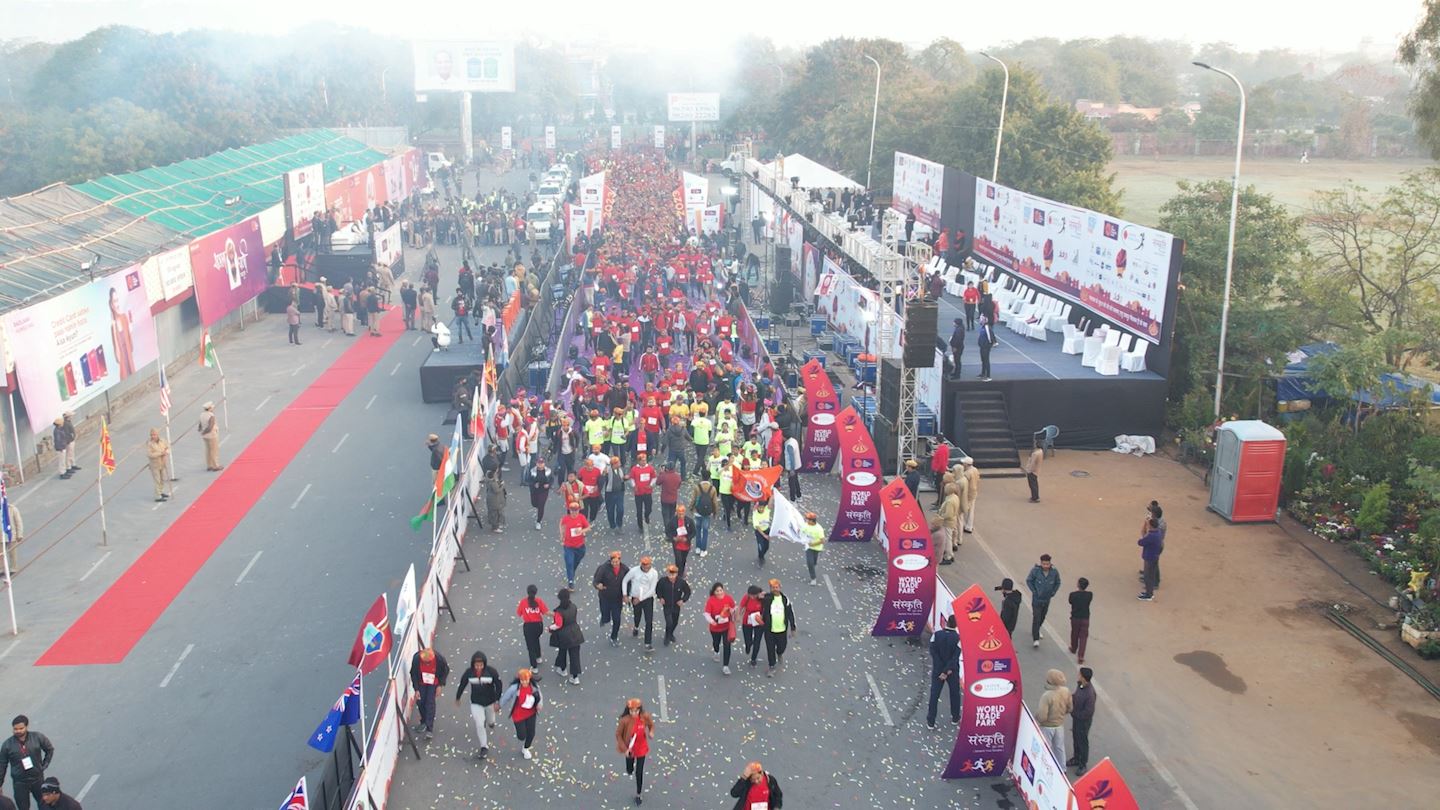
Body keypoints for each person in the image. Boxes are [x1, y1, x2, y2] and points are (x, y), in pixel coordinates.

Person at [455, 650, 503, 759]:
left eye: (481, 665)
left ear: (484, 664)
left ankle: (491, 722)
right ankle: (484, 747)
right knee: (479, 723)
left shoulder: (491, 672)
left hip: (490, 702)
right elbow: (462, 684)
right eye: (476, 665)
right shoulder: (469, 673)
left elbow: (499, 685)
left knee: (491, 720)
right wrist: (458, 697)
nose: (478, 667)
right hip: (476, 702)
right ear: (473, 664)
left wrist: (497, 701)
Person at [1, 715, 53, 810]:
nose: (18, 731)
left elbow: (49, 749)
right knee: (23, 807)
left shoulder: (37, 737)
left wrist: (44, 765)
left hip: (37, 779)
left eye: (21, 728)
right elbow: (2, 765)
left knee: (45, 805)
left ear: (27, 727)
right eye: (15, 729)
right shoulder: (7, 745)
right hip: (19, 783)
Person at [616, 699, 656, 805]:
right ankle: (630, 769)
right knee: (629, 769)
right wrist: (624, 749)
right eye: (631, 711)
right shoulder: (624, 721)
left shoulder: (644, 717)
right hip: (629, 748)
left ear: (639, 710)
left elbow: (651, 725)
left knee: (639, 772)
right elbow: (618, 735)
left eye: (636, 711)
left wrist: (651, 732)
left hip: (641, 748)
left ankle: (639, 794)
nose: (634, 713)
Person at [498, 668, 543, 760]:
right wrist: (499, 705)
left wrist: (539, 705)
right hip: (518, 715)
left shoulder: (534, 687)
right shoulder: (514, 688)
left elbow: (540, 696)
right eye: (522, 680)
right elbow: (506, 696)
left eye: (526, 680)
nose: (524, 682)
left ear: (529, 679)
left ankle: (526, 748)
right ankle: (522, 737)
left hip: (531, 713)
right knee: (521, 736)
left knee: (531, 733)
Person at [926, 614, 961, 728]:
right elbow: (955, 657)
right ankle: (955, 717)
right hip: (952, 671)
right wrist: (947, 671)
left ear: (946, 622)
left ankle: (930, 721)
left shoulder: (936, 635)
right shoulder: (958, 638)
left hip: (937, 670)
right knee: (954, 694)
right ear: (956, 625)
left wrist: (941, 670)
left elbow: (933, 651)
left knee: (934, 695)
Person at [409, 646, 450, 739]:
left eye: (429, 662)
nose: (427, 664)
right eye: (425, 662)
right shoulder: (416, 659)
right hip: (422, 682)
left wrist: (440, 685)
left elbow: (445, 671)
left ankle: (429, 728)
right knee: (420, 702)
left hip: (433, 682)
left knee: (429, 703)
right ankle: (423, 721)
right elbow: (413, 674)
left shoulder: (439, 659)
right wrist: (416, 689)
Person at [623, 556, 660, 651]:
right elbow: (625, 580)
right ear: (641, 564)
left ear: (650, 564)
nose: (645, 567)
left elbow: (652, 589)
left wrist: (641, 598)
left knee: (649, 621)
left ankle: (648, 643)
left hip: (647, 598)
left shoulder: (654, 573)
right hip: (635, 597)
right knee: (637, 615)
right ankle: (636, 626)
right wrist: (625, 595)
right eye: (643, 565)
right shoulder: (634, 571)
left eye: (647, 565)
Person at [760, 578, 796, 677]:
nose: (775, 589)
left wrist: (793, 627)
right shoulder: (767, 598)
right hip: (769, 629)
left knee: (782, 646)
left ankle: (779, 653)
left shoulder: (785, 600)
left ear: (780, 587)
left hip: (782, 629)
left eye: (777, 587)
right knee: (770, 648)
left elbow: (790, 614)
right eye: (773, 587)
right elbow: (758, 603)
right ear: (770, 589)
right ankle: (772, 666)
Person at [1036, 668, 1072, 764]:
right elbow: (1070, 708)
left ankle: (1045, 767)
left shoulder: (1047, 696)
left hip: (1047, 726)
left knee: (1045, 748)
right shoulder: (1066, 691)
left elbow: (1042, 716)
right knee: (1059, 748)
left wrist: (1038, 720)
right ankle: (1062, 767)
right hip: (1059, 725)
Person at [593, 550, 630, 646]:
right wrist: (598, 585)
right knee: (606, 615)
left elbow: (628, 582)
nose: (615, 564)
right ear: (610, 561)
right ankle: (604, 618)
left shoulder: (624, 569)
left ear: (620, 561)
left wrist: (627, 595)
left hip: (617, 598)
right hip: (605, 597)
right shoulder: (603, 568)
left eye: (617, 562)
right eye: (613, 562)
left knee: (617, 618)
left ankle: (614, 636)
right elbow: (596, 580)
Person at [549, 588, 585, 685]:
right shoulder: (573, 606)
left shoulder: (559, 612)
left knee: (562, 651)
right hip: (575, 632)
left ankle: (562, 669)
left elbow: (558, 625)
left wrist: (550, 628)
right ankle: (575, 676)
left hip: (564, 635)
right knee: (575, 656)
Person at [1026, 554, 1061, 647]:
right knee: (1036, 618)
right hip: (1037, 599)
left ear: (1050, 563)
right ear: (1041, 563)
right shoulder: (1035, 571)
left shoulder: (1054, 572)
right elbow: (1029, 580)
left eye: (1047, 564)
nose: (1046, 566)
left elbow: (1058, 582)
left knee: (1042, 616)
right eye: (1044, 564)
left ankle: (1036, 630)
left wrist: (1053, 592)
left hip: (1046, 600)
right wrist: (1034, 591)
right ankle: (1036, 638)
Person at [704, 582, 737, 674]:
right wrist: (712, 621)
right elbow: (707, 614)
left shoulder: (728, 598)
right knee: (716, 642)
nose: (719, 592)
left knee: (727, 645)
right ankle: (716, 651)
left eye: (721, 590)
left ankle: (725, 666)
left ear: (723, 590)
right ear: (714, 592)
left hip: (726, 627)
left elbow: (734, 608)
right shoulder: (711, 600)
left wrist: (731, 611)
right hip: (715, 627)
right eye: (717, 591)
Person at [1068, 667, 1096, 774]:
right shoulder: (1080, 685)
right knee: (1076, 738)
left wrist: (1074, 713)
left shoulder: (1090, 694)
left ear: (1084, 678)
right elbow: (1076, 695)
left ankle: (1083, 763)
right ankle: (1076, 758)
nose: (1078, 675)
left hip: (1083, 722)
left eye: (1079, 674)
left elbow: (1088, 712)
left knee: (1082, 741)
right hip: (1077, 719)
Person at [655, 564, 691, 646]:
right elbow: (658, 589)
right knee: (669, 622)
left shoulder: (681, 582)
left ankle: (671, 633)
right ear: (667, 573)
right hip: (667, 605)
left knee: (675, 622)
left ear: (677, 574)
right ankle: (667, 636)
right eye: (669, 574)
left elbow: (687, 592)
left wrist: (683, 600)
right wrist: (660, 597)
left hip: (676, 605)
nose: (671, 576)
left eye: (673, 574)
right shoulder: (662, 581)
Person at [559, 500, 591, 588]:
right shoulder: (566, 518)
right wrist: (562, 535)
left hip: (580, 545)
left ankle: (572, 571)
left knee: (576, 560)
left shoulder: (581, 518)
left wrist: (581, 531)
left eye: (576, 510)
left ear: (578, 510)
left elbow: (588, 527)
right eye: (572, 510)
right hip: (568, 545)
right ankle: (570, 581)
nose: (574, 512)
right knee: (569, 562)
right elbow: (561, 525)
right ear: (569, 510)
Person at [516, 585, 549, 668]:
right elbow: (545, 612)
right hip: (539, 626)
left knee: (530, 646)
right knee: (536, 639)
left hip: (528, 626)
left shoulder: (523, 602)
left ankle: (534, 666)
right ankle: (538, 657)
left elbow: (519, 613)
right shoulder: (539, 601)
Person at [689, 481, 718, 557]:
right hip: (707, 513)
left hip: (697, 512)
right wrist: (715, 512)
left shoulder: (697, 487)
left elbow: (693, 499)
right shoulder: (713, 489)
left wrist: (691, 508)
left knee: (698, 530)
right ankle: (703, 550)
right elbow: (714, 502)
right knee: (705, 531)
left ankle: (698, 548)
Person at [666, 504, 697, 576]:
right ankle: (678, 575)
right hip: (677, 544)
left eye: (682, 514)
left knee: (683, 560)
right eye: (679, 514)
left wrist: (687, 538)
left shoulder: (689, 521)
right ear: (676, 513)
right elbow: (667, 531)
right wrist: (673, 538)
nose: (681, 515)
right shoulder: (673, 521)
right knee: (678, 560)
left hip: (686, 544)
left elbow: (694, 532)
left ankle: (681, 571)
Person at [630, 453, 656, 535]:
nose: (644, 462)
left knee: (649, 507)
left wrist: (651, 485)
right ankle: (640, 526)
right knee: (639, 510)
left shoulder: (650, 468)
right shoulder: (634, 469)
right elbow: (632, 478)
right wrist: (634, 486)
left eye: (645, 460)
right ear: (639, 461)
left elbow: (654, 477)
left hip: (647, 492)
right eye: (643, 460)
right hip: (638, 493)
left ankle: (646, 515)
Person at [1068, 577, 1093, 664]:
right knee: (1083, 637)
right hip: (1085, 617)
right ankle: (1081, 655)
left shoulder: (1073, 595)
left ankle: (1073, 648)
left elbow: (1070, 602)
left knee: (1074, 633)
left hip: (1075, 617)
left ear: (1078, 585)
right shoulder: (1089, 594)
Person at [1138, 518, 1162, 601]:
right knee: (1150, 576)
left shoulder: (1151, 535)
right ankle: (1149, 592)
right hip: (1154, 556)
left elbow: (1140, 542)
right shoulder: (1158, 533)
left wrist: (1144, 528)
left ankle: (1149, 594)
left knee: (1148, 576)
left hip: (1149, 558)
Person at [527, 456, 553, 529]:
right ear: (536, 463)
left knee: (541, 504)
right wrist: (534, 484)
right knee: (534, 503)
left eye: (542, 463)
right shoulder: (532, 471)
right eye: (539, 463)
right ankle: (538, 508)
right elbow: (528, 480)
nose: (540, 465)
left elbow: (551, 480)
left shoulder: (548, 471)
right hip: (535, 490)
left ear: (544, 464)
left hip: (544, 490)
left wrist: (548, 485)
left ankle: (538, 521)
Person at [801, 512, 825, 586]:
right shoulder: (805, 525)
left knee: (814, 562)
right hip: (809, 548)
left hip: (817, 548)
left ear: (812, 521)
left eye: (807, 519)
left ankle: (813, 565)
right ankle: (813, 578)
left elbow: (822, 540)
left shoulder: (819, 529)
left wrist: (813, 544)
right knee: (810, 563)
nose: (806, 520)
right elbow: (802, 532)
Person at [146, 428, 170, 502]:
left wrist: (166, 452)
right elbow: (150, 454)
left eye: (154, 434)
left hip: (162, 463)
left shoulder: (162, 441)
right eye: (152, 435)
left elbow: (167, 447)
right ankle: (157, 496)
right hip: (155, 465)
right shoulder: (149, 444)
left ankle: (161, 492)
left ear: (157, 434)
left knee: (162, 479)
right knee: (157, 480)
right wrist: (160, 454)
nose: (153, 436)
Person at [657, 462, 682, 528]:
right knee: (672, 515)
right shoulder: (677, 476)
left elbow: (658, 482)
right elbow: (678, 485)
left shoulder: (664, 476)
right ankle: (672, 528)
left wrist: (661, 473)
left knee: (666, 515)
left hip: (665, 499)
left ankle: (668, 530)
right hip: (673, 499)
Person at [960, 456, 980, 534]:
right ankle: (969, 526)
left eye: (963, 463)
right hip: (974, 492)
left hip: (967, 493)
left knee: (962, 510)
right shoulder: (975, 470)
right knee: (971, 510)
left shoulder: (967, 473)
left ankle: (965, 525)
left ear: (966, 464)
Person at [199, 402, 222, 471]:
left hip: (205, 436)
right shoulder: (211, 415)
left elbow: (200, 425)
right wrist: (204, 432)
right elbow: (210, 427)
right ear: (209, 408)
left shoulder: (202, 414)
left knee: (208, 450)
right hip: (212, 435)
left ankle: (209, 465)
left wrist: (202, 432)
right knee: (214, 450)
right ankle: (215, 465)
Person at [751, 496, 772, 567]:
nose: (761, 509)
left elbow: (770, 502)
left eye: (762, 507)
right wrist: (764, 535)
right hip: (759, 532)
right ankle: (761, 558)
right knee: (761, 546)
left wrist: (773, 494)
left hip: (767, 530)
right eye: (759, 508)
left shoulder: (767, 510)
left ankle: (762, 554)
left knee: (766, 547)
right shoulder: (755, 514)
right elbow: (757, 526)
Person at [976, 315, 996, 381]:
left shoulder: (987, 327)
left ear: (985, 320)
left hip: (986, 347)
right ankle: (983, 373)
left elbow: (990, 336)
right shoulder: (983, 327)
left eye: (981, 319)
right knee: (983, 360)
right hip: (982, 346)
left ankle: (988, 376)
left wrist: (991, 344)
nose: (980, 320)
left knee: (986, 361)